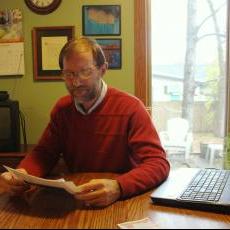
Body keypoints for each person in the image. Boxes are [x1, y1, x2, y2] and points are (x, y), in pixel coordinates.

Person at [1, 37, 170, 208]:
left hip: (122, 201)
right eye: (69, 74)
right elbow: (44, 153)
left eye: (85, 72)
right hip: (79, 200)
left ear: (103, 69)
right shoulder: (62, 109)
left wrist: (119, 186)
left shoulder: (131, 108)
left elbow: (158, 164)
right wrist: (22, 174)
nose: (76, 82)